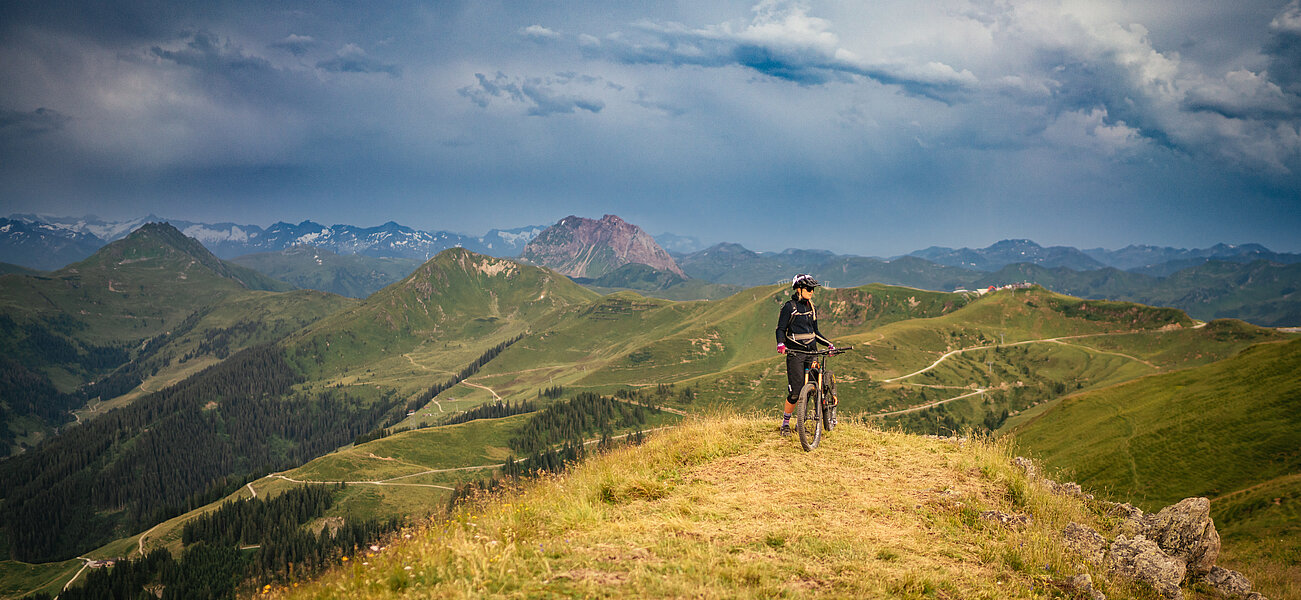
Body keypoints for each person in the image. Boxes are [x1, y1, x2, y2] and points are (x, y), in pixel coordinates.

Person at [775, 273, 836, 436]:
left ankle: (800, 425)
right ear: (799, 289)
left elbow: (815, 332)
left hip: (812, 353)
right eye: (809, 289)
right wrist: (780, 343)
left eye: (812, 289)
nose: (811, 292)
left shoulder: (811, 307)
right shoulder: (789, 307)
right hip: (795, 354)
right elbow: (780, 329)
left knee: (810, 390)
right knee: (796, 392)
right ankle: (785, 424)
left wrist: (828, 344)